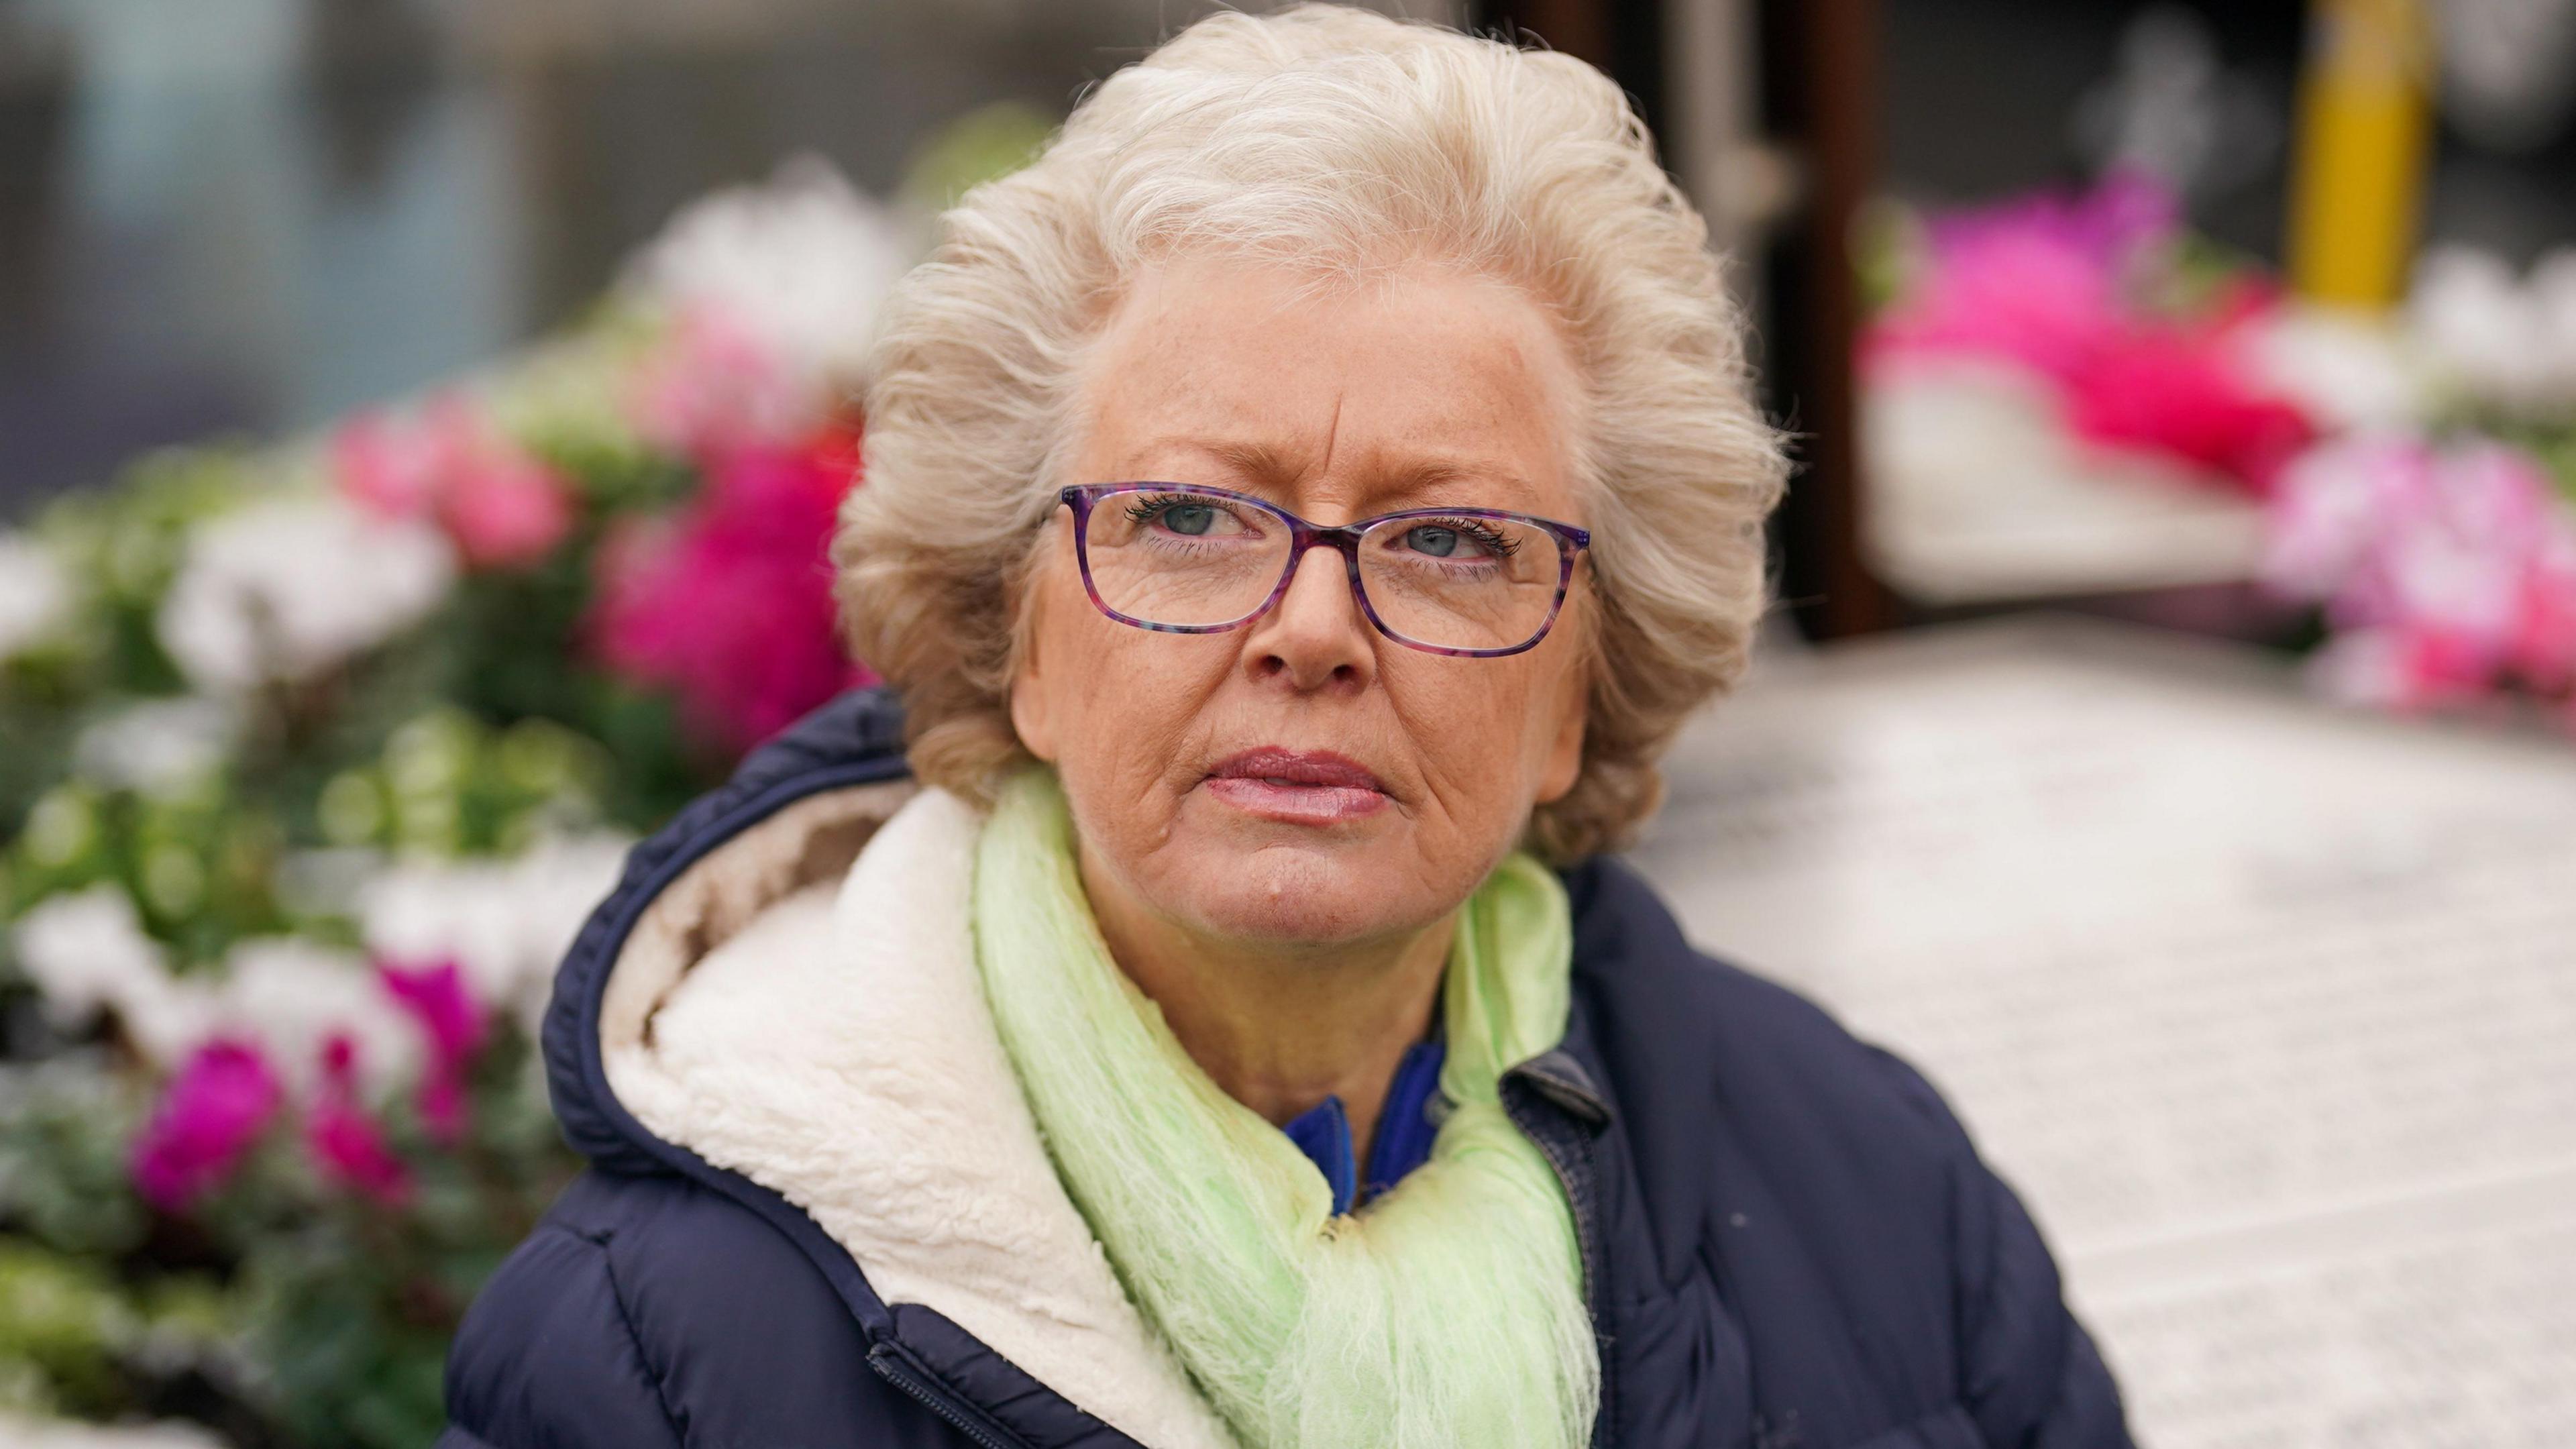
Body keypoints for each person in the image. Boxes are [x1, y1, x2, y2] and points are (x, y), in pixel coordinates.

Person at [437, 7, 2131, 1447]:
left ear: (1580, 695)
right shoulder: (652, 1359)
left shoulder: (1871, 1188)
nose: (1311, 628)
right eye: (1187, 520)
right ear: (1011, 630)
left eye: (1453, 541)